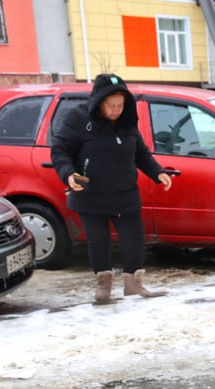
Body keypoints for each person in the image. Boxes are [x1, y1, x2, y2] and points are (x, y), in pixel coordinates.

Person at [50, 73, 172, 303]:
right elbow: (60, 150)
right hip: (90, 194)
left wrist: (158, 172)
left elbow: (140, 152)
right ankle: (104, 287)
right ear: (98, 103)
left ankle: (134, 285)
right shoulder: (77, 119)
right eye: (111, 105)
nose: (116, 110)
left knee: (134, 238)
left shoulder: (126, 122)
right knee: (99, 240)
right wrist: (68, 174)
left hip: (124, 193)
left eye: (120, 105)